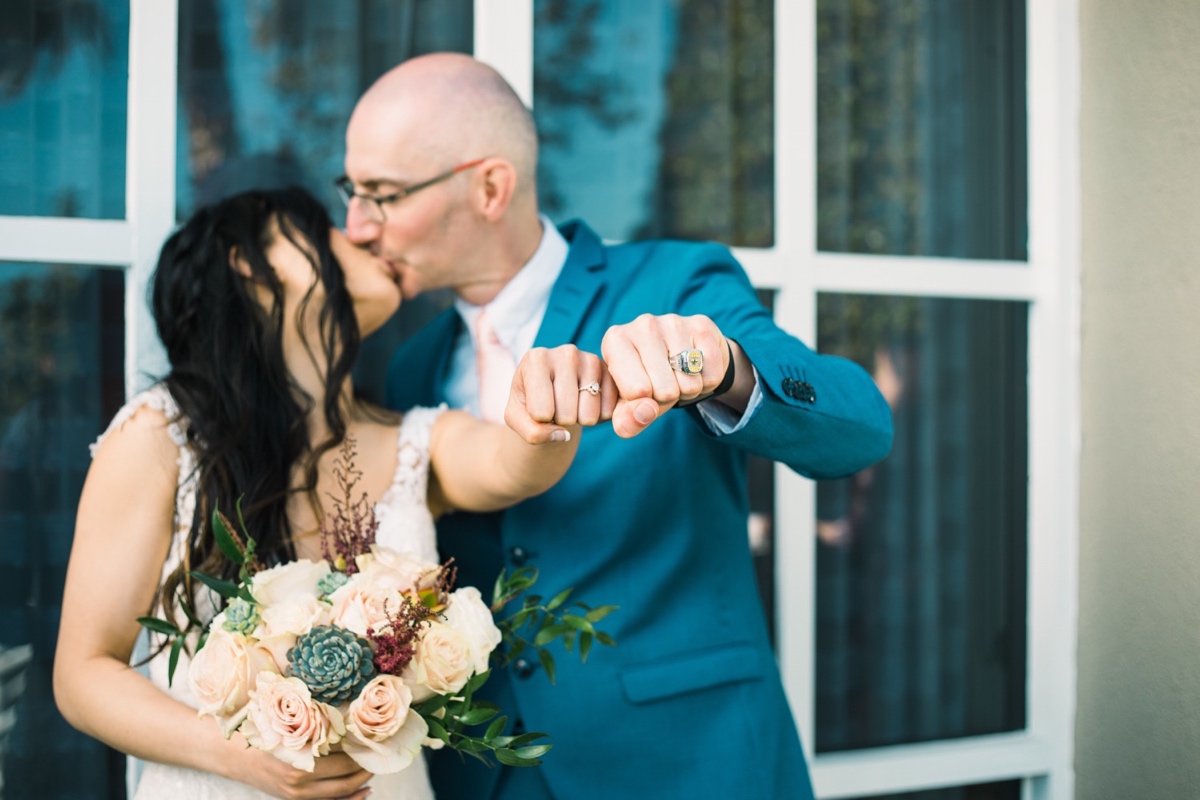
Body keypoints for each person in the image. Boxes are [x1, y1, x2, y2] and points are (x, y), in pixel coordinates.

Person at [340, 53, 895, 799]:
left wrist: (725, 368)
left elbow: (860, 427)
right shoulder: (411, 367)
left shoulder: (676, 285)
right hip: (489, 779)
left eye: (382, 195)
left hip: (691, 764)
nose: (356, 225)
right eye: (353, 192)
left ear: (490, 188)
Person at [53, 187, 610, 800]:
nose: (365, 236)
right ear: (245, 259)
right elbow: (82, 675)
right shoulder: (158, 436)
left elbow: (513, 465)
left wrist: (550, 415)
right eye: (326, 228)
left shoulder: (414, 440)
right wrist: (244, 756)